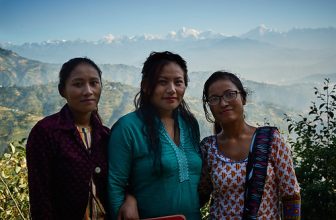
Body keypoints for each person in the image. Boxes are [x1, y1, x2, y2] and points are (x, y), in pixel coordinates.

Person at [107, 51, 202, 219]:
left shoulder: (189, 123)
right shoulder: (127, 128)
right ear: (146, 85)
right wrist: (125, 203)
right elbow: (115, 186)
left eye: (178, 82)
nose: (171, 89)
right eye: (162, 82)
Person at [198, 71, 301, 219]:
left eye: (230, 94)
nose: (223, 103)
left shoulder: (271, 140)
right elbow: (202, 194)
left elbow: (291, 195)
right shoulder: (208, 148)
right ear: (209, 106)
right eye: (214, 98)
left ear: (243, 98)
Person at [26, 57, 110, 219]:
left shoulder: (105, 135)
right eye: (78, 84)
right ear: (62, 90)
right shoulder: (46, 132)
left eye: (94, 83)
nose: (88, 91)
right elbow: (40, 195)